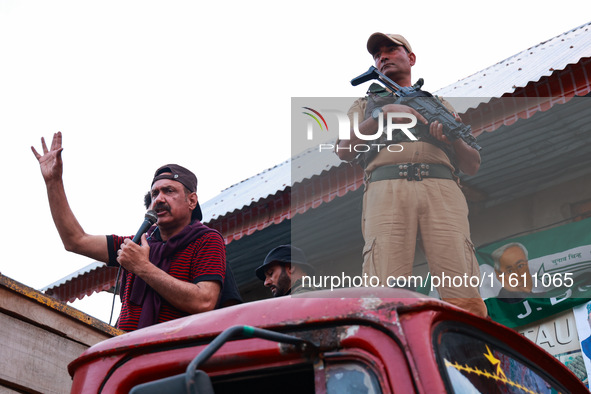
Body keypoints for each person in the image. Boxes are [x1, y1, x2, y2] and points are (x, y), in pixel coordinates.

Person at [336, 33, 487, 317]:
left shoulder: (439, 104)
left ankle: (472, 356)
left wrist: (450, 139)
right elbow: (344, 149)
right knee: (384, 288)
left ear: (411, 58)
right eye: (377, 54)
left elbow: (473, 164)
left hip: (441, 188)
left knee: (461, 286)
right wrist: (384, 114)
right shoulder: (365, 104)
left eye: (392, 49)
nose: (383, 56)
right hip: (387, 188)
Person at [32, 132, 226, 331]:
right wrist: (53, 182)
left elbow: (204, 302)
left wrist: (142, 267)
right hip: (127, 353)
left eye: (169, 191)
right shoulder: (135, 244)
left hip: (176, 355)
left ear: (192, 200)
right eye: (154, 193)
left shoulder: (207, 240)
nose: (158, 199)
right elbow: (75, 240)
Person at [143, 191, 242, 308]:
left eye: (160, 216)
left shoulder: (207, 251)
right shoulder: (138, 254)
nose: (156, 226)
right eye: (153, 218)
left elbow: (229, 306)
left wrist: (143, 267)